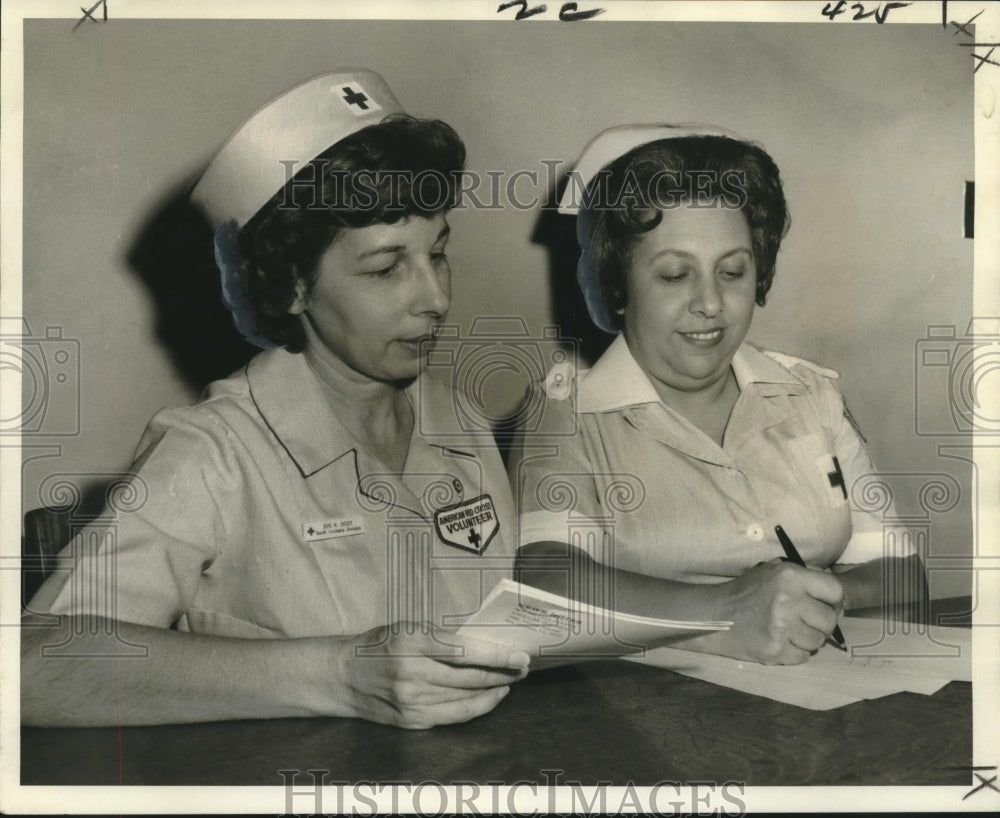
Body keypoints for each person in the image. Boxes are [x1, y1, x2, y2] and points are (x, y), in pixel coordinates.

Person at [22, 70, 528, 728]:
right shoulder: (213, 452)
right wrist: (340, 675)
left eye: (438, 254)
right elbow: (32, 666)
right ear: (291, 286)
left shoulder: (459, 419)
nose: (434, 297)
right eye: (385, 268)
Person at [509, 124, 928, 666]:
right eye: (675, 275)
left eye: (732, 271)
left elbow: (903, 576)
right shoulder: (565, 414)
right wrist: (729, 607)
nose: (710, 302)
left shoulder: (809, 394)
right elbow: (546, 581)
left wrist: (814, 600)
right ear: (616, 287)